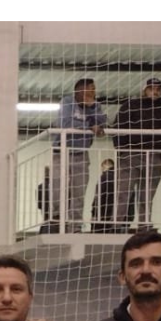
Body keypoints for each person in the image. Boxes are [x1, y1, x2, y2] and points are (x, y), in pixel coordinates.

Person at [112, 77, 161, 232]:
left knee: (147, 195)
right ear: (145, 90)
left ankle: (144, 225)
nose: (155, 91)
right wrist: (122, 152)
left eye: (158, 89)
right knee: (123, 192)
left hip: (154, 157)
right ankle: (117, 225)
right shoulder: (130, 106)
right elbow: (118, 128)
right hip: (131, 155)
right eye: (152, 88)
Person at [50, 78, 107, 232]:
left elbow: (102, 123)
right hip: (61, 152)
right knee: (58, 189)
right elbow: (65, 123)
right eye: (90, 89)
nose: (93, 93)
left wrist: (92, 107)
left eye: (94, 89)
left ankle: (75, 226)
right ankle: (56, 221)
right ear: (80, 91)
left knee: (79, 192)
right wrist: (89, 126)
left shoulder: (95, 105)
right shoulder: (67, 102)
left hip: (81, 154)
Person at [90, 159, 117, 233]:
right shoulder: (121, 177)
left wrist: (94, 211)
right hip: (115, 212)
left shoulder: (104, 177)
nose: (101, 170)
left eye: (102, 167)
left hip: (102, 211)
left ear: (105, 166)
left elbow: (99, 195)